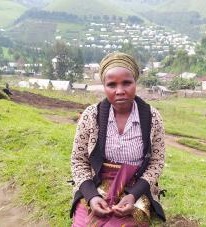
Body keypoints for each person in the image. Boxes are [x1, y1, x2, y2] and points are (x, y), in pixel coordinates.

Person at [70, 52, 166, 226]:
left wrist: (133, 195)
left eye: (127, 83)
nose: (120, 91)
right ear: (104, 86)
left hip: (135, 185)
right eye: (112, 84)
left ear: (135, 82)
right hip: (96, 182)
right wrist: (91, 197)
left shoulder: (152, 118)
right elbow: (78, 160)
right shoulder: (91, 116)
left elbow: (156, 162)